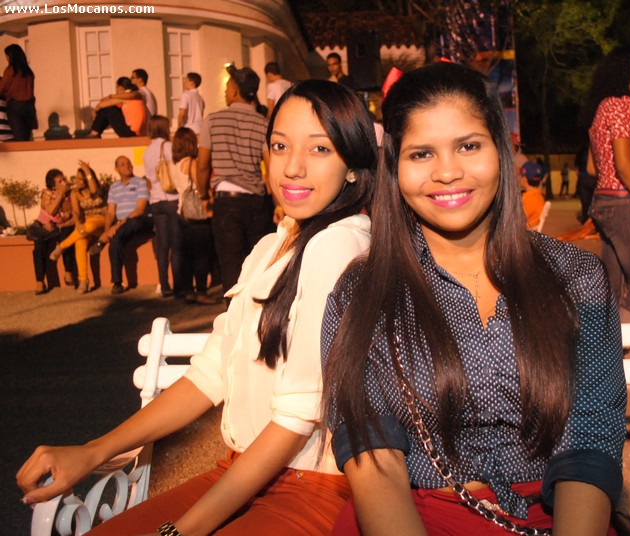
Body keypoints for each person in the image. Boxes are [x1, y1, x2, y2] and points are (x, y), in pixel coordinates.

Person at [17, 78, 378, 536]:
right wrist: (93, 450)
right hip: (243, 474)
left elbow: (295, 420)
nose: (294, 167)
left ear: (353, 164)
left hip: (308, 490)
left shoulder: (340, 244)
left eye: (320, 149)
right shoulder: (271, 246)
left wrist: (181, 530)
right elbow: (210, 375)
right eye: (281, 145)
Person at [322, 62, 626, 535]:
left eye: (468, 145)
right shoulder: (360, 295)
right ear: (394, 167)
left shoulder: (576, 277)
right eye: (421, 153)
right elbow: (374, 463)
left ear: (500, 151)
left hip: (558, 513)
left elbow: (591, 438)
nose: (448, 172)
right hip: (414, 514)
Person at [580, 46, 630, 323]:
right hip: (623, 205)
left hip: (603, 203)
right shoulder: (620, 105)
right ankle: (609, 357)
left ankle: (598, 354)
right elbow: (623, 167)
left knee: (611, 290)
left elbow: (593, 168)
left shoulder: (599, 109)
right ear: (620, 73)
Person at [196, 67, 276, 294]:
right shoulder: (263, 123)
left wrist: (203, 195)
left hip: (226, 202)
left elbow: (202, 164)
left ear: (233, 91)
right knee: (258, 263)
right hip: (257, 203)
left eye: (226, 87)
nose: (224, 91)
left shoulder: (212, 120)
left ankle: (233, 320)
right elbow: (271, 167)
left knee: (231, 266)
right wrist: (278, 203)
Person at [92, 155, 152, 294]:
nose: (127, 166)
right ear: (116, 169)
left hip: (139, 220)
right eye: (123, 164)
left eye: (129, 163)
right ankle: (117, 283)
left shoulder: (139, 183)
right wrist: (108, 231)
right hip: (122, 227)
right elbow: (111, 212)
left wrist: (118, 225)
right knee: (115, 240)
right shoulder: (114, 187)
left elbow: (140, 209)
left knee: (127, 226)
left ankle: (102, 242)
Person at [171, 127, 216, 304]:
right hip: (197, 214)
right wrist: (208, 198)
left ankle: (188, 291)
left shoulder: (176, 164)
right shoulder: (191, 162)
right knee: (201, 255)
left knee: (187, 255)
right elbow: (199, 185)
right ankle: (202, 292)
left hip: (182, 212)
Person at [49, 161, 107, 293]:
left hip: (101, 221)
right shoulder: (75, 193)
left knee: (90, 225)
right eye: (76, 177)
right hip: (86, 225)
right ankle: (83, 280)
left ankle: (61, 246)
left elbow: (93, 189)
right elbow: (76, 212)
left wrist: (86, 170)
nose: (77, 180)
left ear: (87, 179)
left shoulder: (95, 189)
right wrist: (79, 225)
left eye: (80, 178)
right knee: (80, 242)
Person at [144, 115, 184, 298]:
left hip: (155, 201)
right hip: (171, 197)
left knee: (162, 245)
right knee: (176, 245)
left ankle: (164, 284)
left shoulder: (146, 152)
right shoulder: (167, 147)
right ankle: (178, 285)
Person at [31, 169, 76, 294]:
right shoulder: (47, 193)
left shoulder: (70, 195)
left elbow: (71, 214)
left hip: (60, 227)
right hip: (44, 226)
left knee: (67, 236)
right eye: (60, 181)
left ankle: (68, 273)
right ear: (53, 185)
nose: (64, 183)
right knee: (38, 247)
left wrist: (64, 197)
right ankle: (40, 281)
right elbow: (50, 210)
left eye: (64, 179)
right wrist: (60, 195)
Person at [0, 44, 36, 141]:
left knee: (19, 138)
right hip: (29, 106)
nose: (6, 58)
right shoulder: (28, 72)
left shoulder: (11, 70)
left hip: (15, 106)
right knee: (26, 137)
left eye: (7, 56)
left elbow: (2, 87)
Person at [519, 160, 546, 230]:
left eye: (521, 176)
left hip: (523, 234)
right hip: (531, 231)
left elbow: (514, 221)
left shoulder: (527, 199)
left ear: (524, 179)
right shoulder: (540, 196)